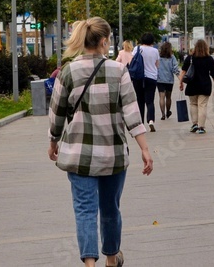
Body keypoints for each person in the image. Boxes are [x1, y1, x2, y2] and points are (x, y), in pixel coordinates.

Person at [49, 17, 153, 267]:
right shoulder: (118, 71)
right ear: (105, 41)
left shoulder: (67, 71)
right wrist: (144, 149)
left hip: (78, 155)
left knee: (85, 211)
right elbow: (132, 112)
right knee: (110, 210)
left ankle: (89, 264)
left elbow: (57, 113)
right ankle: (110, 258)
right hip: (113, 155)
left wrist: (53, 142)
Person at [178, 38, 214, 134]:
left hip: (192, 84)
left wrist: (180, 82)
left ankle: (194, 124)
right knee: (202, 106)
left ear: (195, 47)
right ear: (206, 48)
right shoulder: (209, 59)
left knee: (193, 104)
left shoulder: (190, 58)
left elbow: (183, 71)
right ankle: (201, 127)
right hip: (204, 85)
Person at [131, 33, 161, 131]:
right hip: (151, 77)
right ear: (152, 41)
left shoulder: (137, 49)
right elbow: (157, 65)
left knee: (140, 100)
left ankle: (141, 123)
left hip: (138, 77)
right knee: (150, 101)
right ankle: (151, 120)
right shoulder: (155, 51)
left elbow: (133, 61)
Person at [155, 41, 180, 120]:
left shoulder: (158, 57)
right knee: (168, 97)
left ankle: (162, 114)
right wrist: (180, 79)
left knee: (161, 97)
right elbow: (175, 69)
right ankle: (168, 111)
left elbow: (155, 67)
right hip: (169, 80)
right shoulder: (172, 57)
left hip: (160, 79)